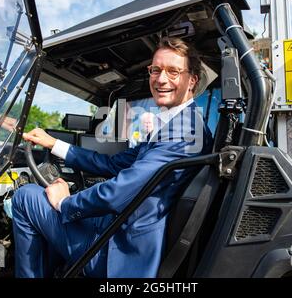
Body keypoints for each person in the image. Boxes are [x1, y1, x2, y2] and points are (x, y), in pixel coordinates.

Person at [12, 37, 213, 278]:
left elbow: (118, 192)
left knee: (25, 197)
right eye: (156, 70)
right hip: (116, 227)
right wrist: (54, 143)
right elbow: (113, 164)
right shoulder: (175, 125)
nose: (161, 79)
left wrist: (65, 203)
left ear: (192, 80)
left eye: (173, 71)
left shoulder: (185, 130)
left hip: (117, 248)